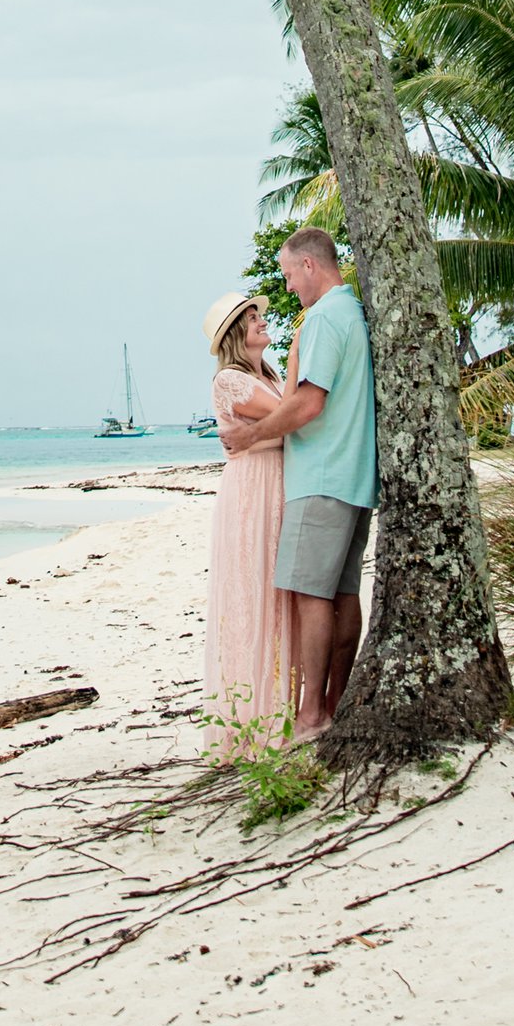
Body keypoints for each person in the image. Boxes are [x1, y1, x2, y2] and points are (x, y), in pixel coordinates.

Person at [219, 226, 375, 738]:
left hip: (322, 474)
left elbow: (308, 404)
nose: (287, 286)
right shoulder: (352, 311)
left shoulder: (326, 318)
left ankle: (312, 715)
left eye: (287, 273)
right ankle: (334, 704)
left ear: (309, 266)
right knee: (342, 594)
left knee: (312, 596)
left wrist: (250, 438)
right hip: (352, 475)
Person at [200, 289, 299, 753]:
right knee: (253, 595)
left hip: (278, 485)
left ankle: (283, 710)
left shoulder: (272, 375)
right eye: (252, 317)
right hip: (252, 493)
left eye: (260, 315)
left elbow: (286, 418)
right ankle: (252, 720)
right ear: (237, 334)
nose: (262, 321)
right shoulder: (229, 381)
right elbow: (291, 416)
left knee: (281, 597)